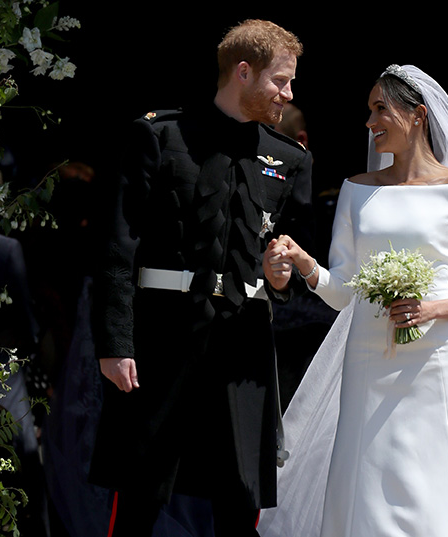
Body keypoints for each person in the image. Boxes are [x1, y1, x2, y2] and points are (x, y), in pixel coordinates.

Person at [257, 65, 448, 537]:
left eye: (380, 109)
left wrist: (436, 308)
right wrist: (305, 264)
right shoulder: (357, 190)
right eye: (369, 110)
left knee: (440, 478)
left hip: (438, 358)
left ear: (417, 116)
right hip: (368, 358)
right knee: (369, 476)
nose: (370, 122)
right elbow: (342, 293)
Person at [89, 19, 313, 537]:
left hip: (244, 347)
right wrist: (115, 342)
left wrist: (284, 278)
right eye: (280, 80)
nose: (289, 93)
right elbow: (118, 246)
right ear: (243, 72)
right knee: (141, 495)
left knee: (241, 499)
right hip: (163, 340)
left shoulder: (289, 159)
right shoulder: (160, 135)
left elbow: (297, 259)